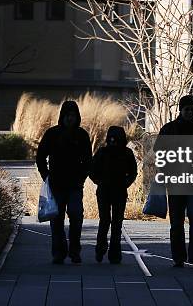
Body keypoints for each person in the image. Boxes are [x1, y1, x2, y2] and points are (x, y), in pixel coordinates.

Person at [154, 94, 193, 268]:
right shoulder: (170, 129)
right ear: (181, 110)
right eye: (187, 109)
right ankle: (180, 257)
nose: (190, 113)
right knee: (177, 222)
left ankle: (192, 257)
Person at [36, 100, 92, 264]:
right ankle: (58, 252)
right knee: (56, 220)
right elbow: (40, 156)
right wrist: (45, 175)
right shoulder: (52, 134)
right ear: (62, 116)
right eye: (67, 115)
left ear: (77, 117)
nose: (70, 119)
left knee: (76, 216)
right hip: (56, 183)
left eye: (73, 115)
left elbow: (88, 160)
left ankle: (74, 251)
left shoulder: (82, 135)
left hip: (74, 185)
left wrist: (82, 176)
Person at [90, 126, 138, 264]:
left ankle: (113, 252)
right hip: (106, 190)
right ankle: (102, 249)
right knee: (106, 221)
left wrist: (125, 183)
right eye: (111, 139)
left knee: (115, 223)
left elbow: (133, 172)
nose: (113, 142)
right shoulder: (103, 152)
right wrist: (99, 182)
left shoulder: (126, 153)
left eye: (116, 140)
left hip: (118, 190)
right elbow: (92, 170)